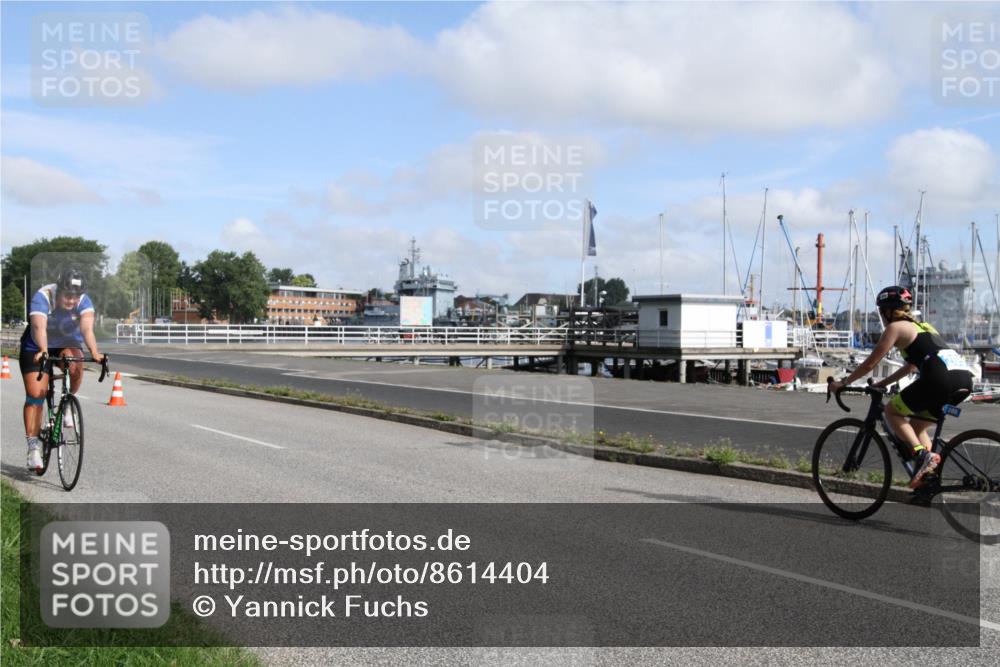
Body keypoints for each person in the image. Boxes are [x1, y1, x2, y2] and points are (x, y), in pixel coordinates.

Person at [829, 285, 974, 489]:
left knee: (891, 411)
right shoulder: (924, 327)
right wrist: (883, 384)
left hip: (939, 379)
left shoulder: (895, 328)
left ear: (888, 311)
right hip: (963, 379)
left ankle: (921, 455)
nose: (881, 316)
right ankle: (928, 480)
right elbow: (911, 366)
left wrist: (843, 383)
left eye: (881, 312)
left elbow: (871, 363)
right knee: (916, 426)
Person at [19, 268, 106, 472]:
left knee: (75, 362)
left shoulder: (84, 300)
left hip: (65, 342)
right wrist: (42, 349)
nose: (71, 301)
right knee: (35, 395)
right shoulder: (43, 297)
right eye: (67, 295)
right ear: (59, 290)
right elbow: (39, 328)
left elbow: (86, 328)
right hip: (36, 346)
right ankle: (33, 449)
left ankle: (68, 402)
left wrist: (94, 351)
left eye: (75, 297)